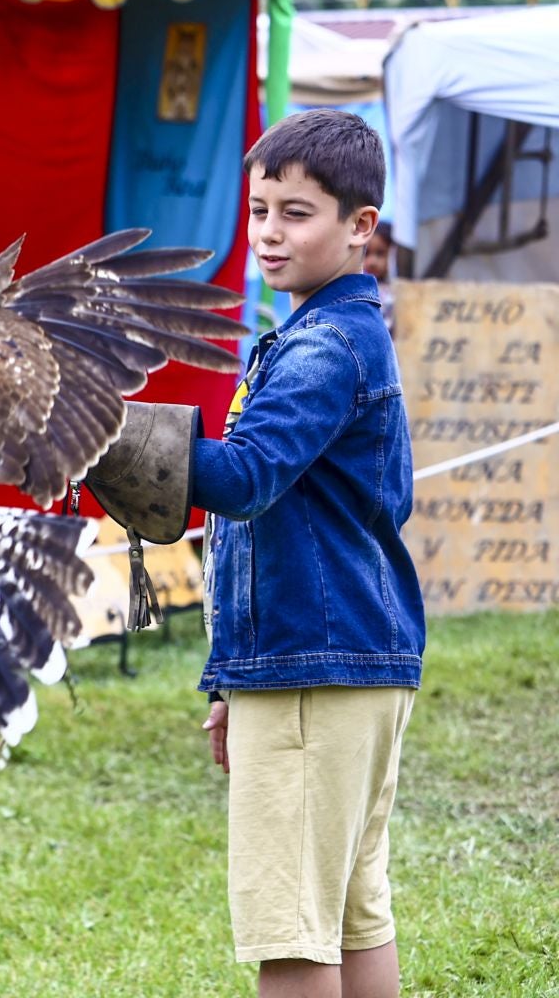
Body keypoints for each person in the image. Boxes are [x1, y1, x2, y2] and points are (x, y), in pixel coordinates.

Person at [194, 111, 424, 998]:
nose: (269, 234)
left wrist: (104, 431)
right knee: (352, 915)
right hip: (343, 665)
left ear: (360, 226)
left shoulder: (326, 344)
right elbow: (275, 522)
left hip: (313, 670)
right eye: (259, 211)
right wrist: (230, 676)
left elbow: (245, 478)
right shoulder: (334, 332)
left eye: (297, 213)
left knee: (291, 932)